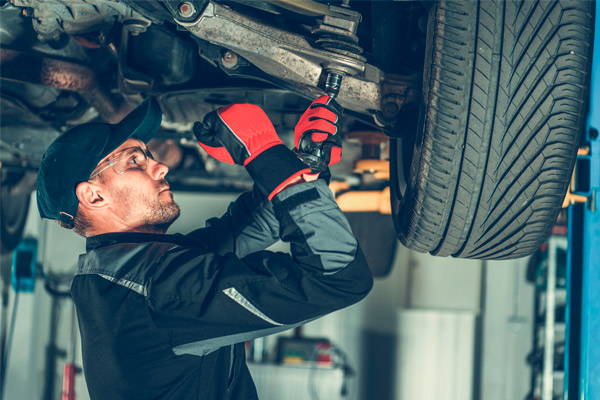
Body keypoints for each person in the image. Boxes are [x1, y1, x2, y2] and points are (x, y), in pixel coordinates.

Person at [36, 95, 373, 400]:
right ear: (93, 196)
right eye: (135, 160)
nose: (160, 166)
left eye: (148, 155)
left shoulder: (125, 270)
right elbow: (338, 276)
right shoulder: (156, 288)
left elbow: (249, 227)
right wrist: (262, 150)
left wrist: (300, 164)